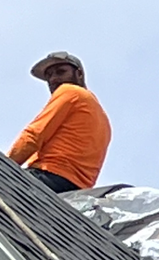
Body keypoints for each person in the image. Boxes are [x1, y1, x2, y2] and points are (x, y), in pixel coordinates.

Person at [7, 52, 112, 192]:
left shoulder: (70, 92)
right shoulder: (102, 117)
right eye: (49, 76)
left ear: (79, 74)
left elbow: (33, 135)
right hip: (75, 191)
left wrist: (2, 166)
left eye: (60, 72)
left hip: (49, 176)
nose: (53, 79)